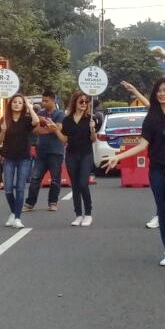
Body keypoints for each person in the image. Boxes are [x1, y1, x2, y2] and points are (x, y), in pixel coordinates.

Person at [104, 78, 165, 267]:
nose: (162, 94)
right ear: (155, 95)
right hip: (157, 171)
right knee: (163, 211)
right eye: (159, 91)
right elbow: (142, 145)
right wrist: (118, 157)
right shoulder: (151, 117)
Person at [47, 91, 97, 227]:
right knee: (75, 185)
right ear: (75, 102)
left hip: (86, 154)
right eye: (81, 101)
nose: (84, 104)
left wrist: (93, 130)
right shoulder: (67, 120)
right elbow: (64, 140)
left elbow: (93, 140)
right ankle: (78, 214)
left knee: (83, 183)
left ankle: (88, 214)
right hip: (71, 155)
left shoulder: (90, 119)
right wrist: (55, 130)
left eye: (86, 102)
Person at [0, 93, 39, 229]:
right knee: (8, 189)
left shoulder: (26, 120)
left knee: (20, 188)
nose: (17, 104)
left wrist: (30, 107)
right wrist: (2, 131)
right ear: (10, 104)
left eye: (20, 103)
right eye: (15, 102)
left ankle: (18, 217)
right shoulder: (4, 120)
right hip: (9, 157)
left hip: (24, 158)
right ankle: (13, 212)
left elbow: (36, 122)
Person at [121, 80, 160, 229]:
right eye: (159, 93)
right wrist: (134, 90)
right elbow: (147, 104)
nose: (162, 96)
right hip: (157, 160)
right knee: (159, 192)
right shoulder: (154, 113)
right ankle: (159, 215)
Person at [24, 90, 65, 212]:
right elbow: (36, 130)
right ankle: (30, 203)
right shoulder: (40, 113)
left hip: (56, 151)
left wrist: (47, 126)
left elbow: (58, 128)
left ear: (53, 100)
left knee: (55, 179)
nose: (43, 103)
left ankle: (53, 202)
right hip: (41, 151)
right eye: (43, 100)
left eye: (46, 101)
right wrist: (49, 127)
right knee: (35, 178)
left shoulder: (60, 114)